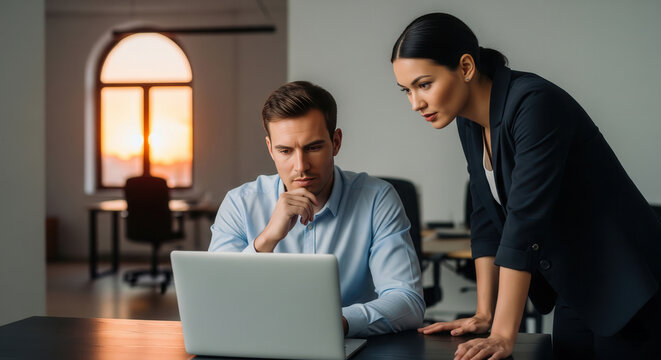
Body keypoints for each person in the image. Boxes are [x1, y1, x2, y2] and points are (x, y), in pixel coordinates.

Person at [391, 13, 661, 360]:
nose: (415, 103)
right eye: (407, 91)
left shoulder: (534, 103)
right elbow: (485, 217)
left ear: (466, 67)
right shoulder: (469, 122)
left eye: (424, 84)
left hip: (630, 284)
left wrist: (505, 333)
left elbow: (525, 219)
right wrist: (485, 314)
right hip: (576, 285)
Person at [208, 81, 425, 337]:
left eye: (313, 148)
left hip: (350, 345)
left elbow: (408, 302)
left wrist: (334, 324)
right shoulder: (240, 203)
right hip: (261, 345)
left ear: (336, 142)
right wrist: (267, 239)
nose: (301, 166)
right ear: (270, 149)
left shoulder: (377, 199)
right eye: (285, 151)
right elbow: (215, 302)